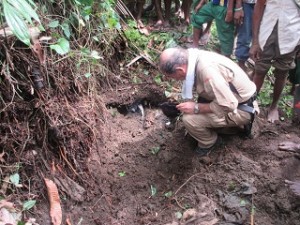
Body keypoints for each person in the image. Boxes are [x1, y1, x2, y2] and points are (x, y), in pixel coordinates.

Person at [158, 47, 258, 156]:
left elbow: (229, 104)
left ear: (180, 70)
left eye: (171, 76)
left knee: (189, 119)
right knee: (192, 112)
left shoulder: (206, 70)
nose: (174, 79)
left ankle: (209, 142)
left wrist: (196, 108)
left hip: (241, 109)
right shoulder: (194, 58)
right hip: (238, 100)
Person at [249, 0, 300, 123]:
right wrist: (255, 41)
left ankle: (273, 106)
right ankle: (251, 103)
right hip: (267, 31)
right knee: (260, 69)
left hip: (291, 35)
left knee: (282, 72)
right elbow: (259, 7)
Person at [235, 0, 256, 72]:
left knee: (263, 35)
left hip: (267, 6)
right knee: (245, 33)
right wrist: (239, 7)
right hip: (248, 3)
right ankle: (241, 63)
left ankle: (257, 69)